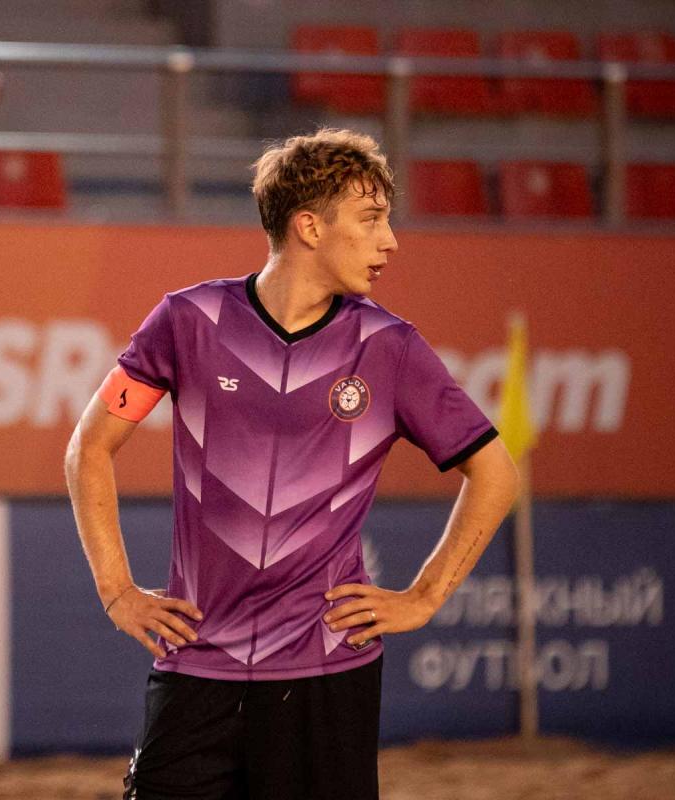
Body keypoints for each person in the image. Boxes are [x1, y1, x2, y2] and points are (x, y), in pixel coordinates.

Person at [65, 129, 519, 800]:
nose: (390, 241)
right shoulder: (187, 320)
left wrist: (425, 597)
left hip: (327, 675)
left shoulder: (390, 347)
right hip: (197, 667)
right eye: (371, 220)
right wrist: (116, 591)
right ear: (309, 226)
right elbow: (90, 447)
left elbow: (497, 473)